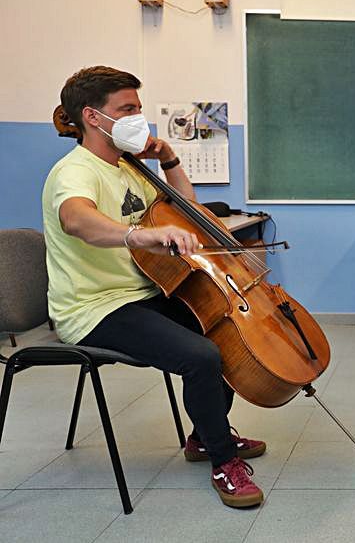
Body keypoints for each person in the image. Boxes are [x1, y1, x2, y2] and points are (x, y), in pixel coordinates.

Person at [43, 66, 266, 508]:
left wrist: (168, 159)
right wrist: (138, 235)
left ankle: (204, 437)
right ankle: (223, 462)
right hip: (93, 309)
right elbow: (76, 218)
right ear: (92, 116)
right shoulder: (74, 170)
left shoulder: (129, 168)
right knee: (201, 355)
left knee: (224, 330)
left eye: (138, 109)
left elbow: (190, 212)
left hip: (143, 295)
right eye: (126, 109)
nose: (137, 119)